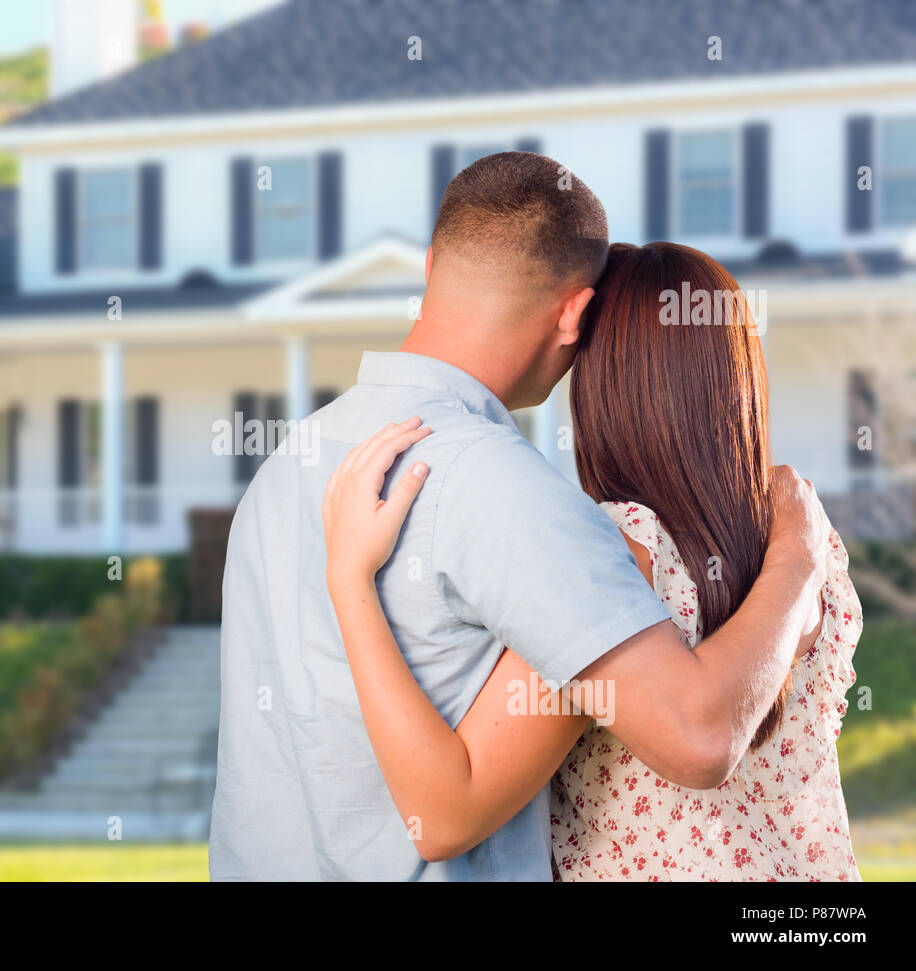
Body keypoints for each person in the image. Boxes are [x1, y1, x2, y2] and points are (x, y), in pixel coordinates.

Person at [209, 152, 832, 880]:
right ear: (574, 314)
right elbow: (698, 736)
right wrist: (799, 558)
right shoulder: (507, 490)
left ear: (433, 262)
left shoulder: (286, 468)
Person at [321, 242, 860, 880]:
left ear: (603, 389)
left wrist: (349, 577)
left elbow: (445, 814)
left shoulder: (619, 551)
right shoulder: (804, 542)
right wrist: (797, 551)